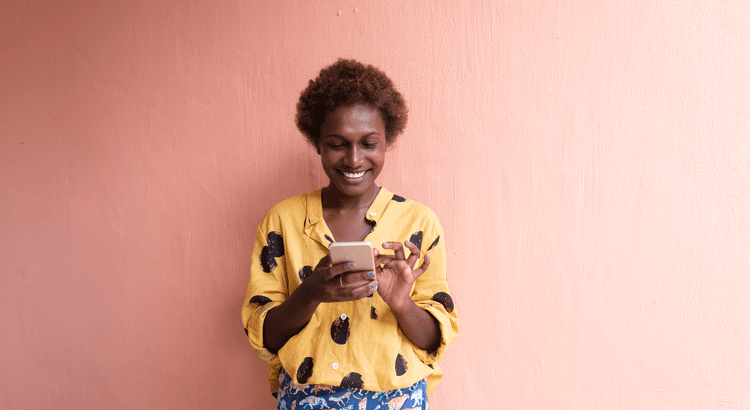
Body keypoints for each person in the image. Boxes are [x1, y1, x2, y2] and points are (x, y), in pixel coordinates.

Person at [241, 59, 458, 410]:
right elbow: (263, 334)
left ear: (388, 142)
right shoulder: (282, 221)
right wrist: (311, 293)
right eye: (338, 144)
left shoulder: (419, 223)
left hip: (397, 400)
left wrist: (401, 303)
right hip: (305, 399)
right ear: (317, 143)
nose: (354, 159)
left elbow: (434, 339)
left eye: (369, 143)